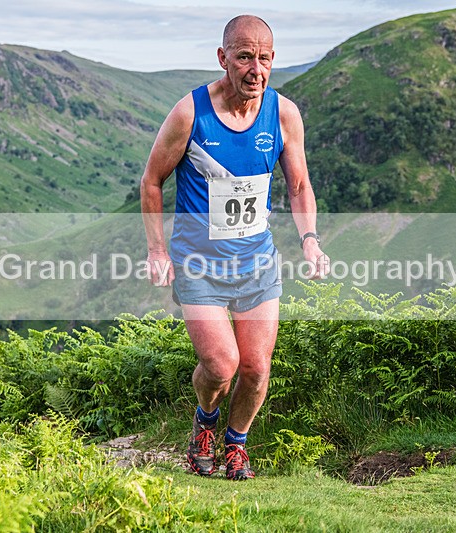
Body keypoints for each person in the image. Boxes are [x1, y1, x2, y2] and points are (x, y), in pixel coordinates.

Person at [140, 14, 328, 480]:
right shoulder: (190, 113)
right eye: (244, 57)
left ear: (273, 61)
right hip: (199, 261)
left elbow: (300, 185)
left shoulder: (283, 114)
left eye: (264, 59)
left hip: (257, 260)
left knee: (256, 370)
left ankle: (236, 443)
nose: (255, 69)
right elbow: (151, 180)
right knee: (222, 365)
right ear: (223, 58)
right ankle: (205, 422)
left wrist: (310, 240)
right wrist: (157, 250)